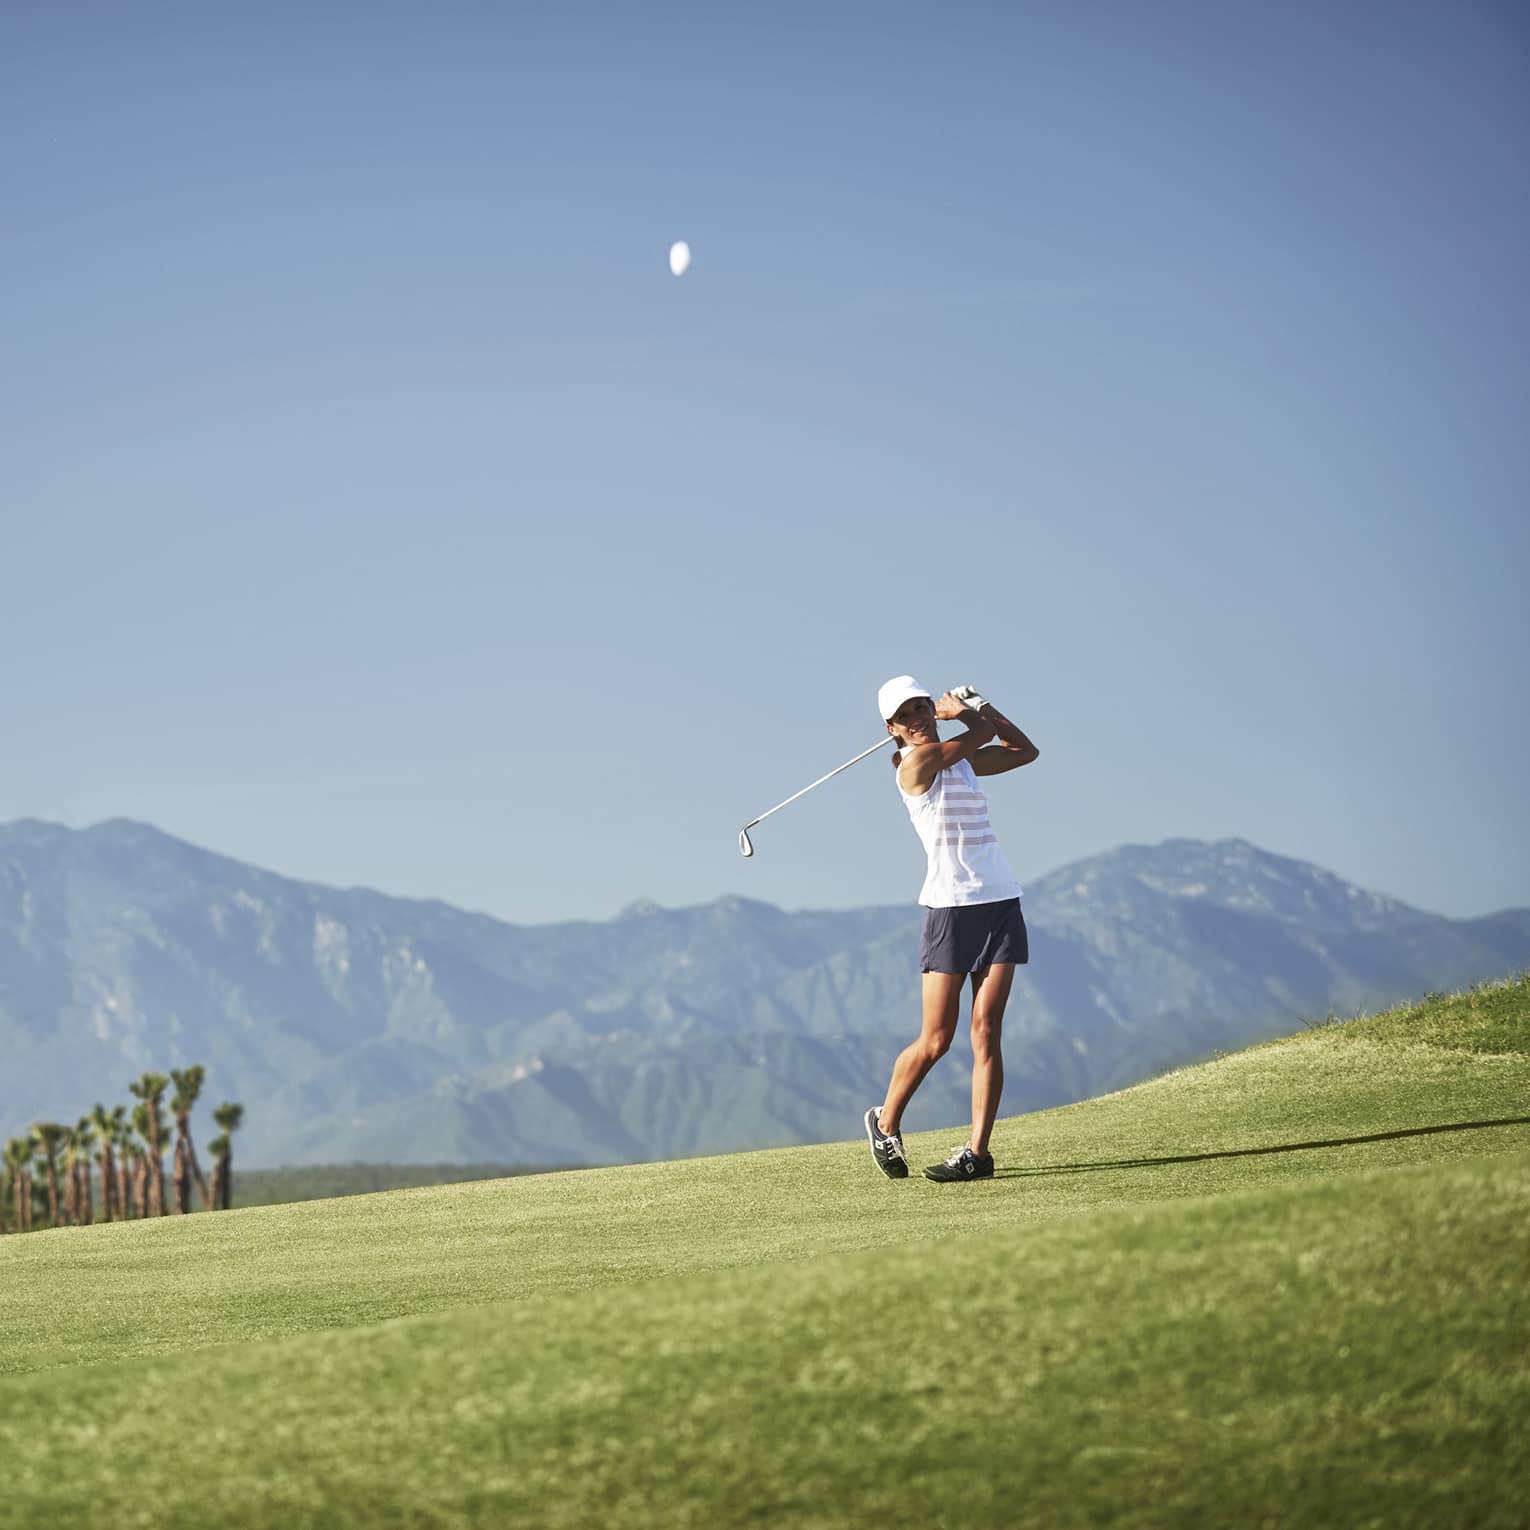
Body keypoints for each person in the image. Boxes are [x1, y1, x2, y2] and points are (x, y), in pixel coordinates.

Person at [864, 676, 1039, 1182]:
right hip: (950, 910)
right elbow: (979, 734)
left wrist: (981, 706)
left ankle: (977, 1154)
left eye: (922, 707)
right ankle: (885, 1121)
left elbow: (1024, 751)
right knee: (937, 1039)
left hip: (1000, 901)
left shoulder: (961, 762)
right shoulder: (915, 765)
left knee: (986, 1031)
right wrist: (965, 711)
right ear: (892, 729)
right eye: (905, 715)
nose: (917, 719)